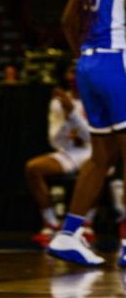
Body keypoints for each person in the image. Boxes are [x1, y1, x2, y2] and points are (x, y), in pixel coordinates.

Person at [48, 0, 126, 267]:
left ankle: (68, 233)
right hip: (116, 62)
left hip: (89, 64)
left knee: (102, 156)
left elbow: (67, 21)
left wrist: (83, 57)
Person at [25, 62, 94, 247]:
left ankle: (86, 222)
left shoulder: (96, 98)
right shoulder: (58, 102)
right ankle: (51, 222)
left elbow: (92, 137)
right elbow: (55, 141)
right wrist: (67, 119)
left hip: (94, 152)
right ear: (66, 76)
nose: (75, 76)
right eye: (71, 71)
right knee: (33, 168)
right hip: (69, 152)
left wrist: (72, 114)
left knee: (96, 169)